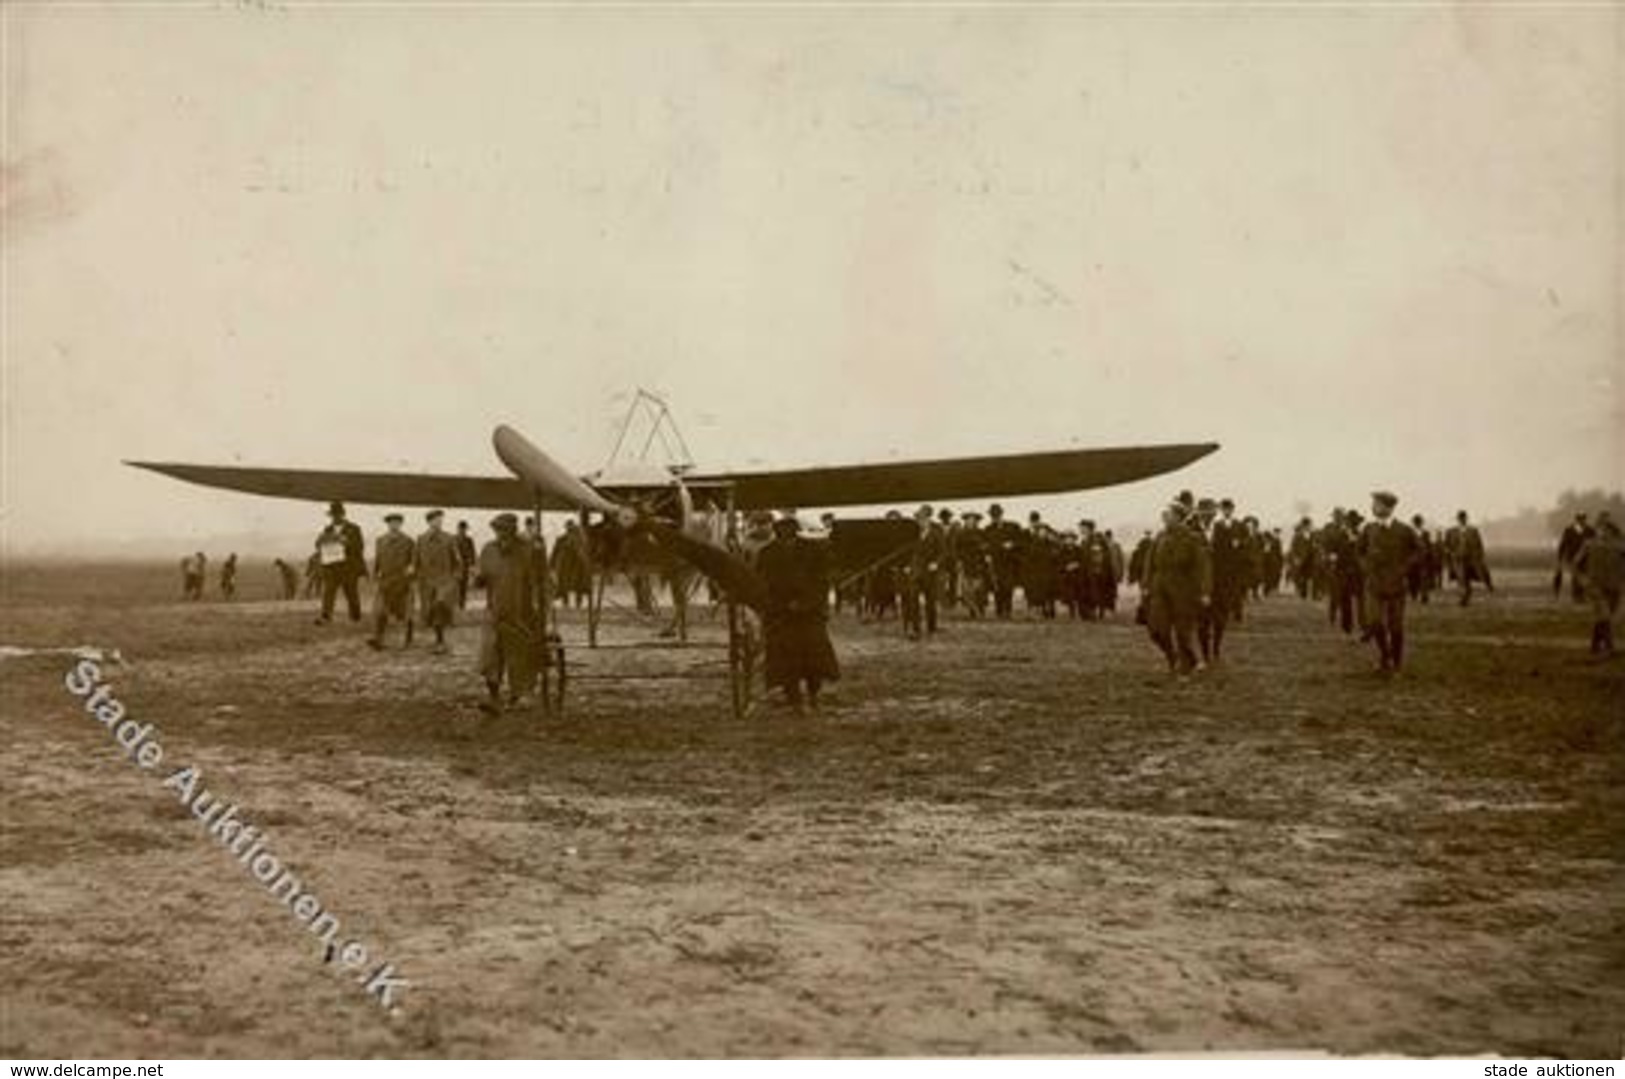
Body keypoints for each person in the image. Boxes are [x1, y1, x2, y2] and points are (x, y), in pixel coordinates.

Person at [757, 514, 839, 710]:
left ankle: (813, 694)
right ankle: (793, 697)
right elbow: (763, 583)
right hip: (781, 616)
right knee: (785, 661)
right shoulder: (767, 553)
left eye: (790, 536)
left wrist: (806, 603)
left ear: (796, 533)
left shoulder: (813, 550)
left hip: (809, 615)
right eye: (782, 536)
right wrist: (778, 606)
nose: (787, 540)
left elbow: (822, 581)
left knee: (814, 658)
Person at [476, 513, 540, 712]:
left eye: (505, 531)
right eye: (497, 530)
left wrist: (537, 608)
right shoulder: (488, 550)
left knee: (517, 655)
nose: (501, 535)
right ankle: (493, 697)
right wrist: (478, 579)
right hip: (494, 611)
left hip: (520, 613)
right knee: (490, 655)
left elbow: (539, 581)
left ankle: (519, 695)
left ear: (513, 532)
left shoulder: (527, 551)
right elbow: (482, 577)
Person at [1144, 502, 1210, 676]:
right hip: (1160, 588)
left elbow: (1201, 567)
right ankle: (1172, 657)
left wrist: (1204, 591)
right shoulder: (1159, 537)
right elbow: (1149, 564)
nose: (1164, 516)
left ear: (1179, 517)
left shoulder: (1191, 538)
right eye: (1164, 514)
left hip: (1183, 590)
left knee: (1183, 633)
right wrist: (1146, 585)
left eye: (1169, 514)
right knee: (1156, 630)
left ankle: (1185, 668)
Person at [1358, 491, 1419, 673]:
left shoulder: (1404, 530)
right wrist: (1365, 566)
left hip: (1396, 585)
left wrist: (1404, 568)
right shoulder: (1368, 529)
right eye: (1373, 504)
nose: (1373, 508)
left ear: (1389, 508)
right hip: (1374, 584)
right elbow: (1359, 551)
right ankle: (1385, 655)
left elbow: (1418, 551)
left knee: (1396, 626)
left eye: (1377, 504)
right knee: (1375, 621)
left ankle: (1397, 663)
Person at [1575, 512, 1623, 657]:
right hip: (1595, 587)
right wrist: (1581, 579)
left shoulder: (1620, 545)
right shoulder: (1589, 544)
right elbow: (1575, 563)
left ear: (1612, 529)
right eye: (1601, 527)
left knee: (1603, 617)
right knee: (1605, 615)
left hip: (1615, 587)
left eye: (1607, 527)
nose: (1604, 531)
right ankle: (1610, 648)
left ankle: (1594, 646)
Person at [415, 509, 461, 653]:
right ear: (429, 522)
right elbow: (416, 561)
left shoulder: (449, 538)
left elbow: (457, 560)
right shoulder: (421, 539)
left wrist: (455, 577)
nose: (439, 522)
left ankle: (440, 641)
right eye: (435, 520)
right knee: (430, 610)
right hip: (427, 582)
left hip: (444, 580)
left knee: (439, 605)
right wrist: (416, 575)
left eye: (440, 519)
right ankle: (438, 639)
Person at [368, 513, 416, 649]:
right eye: (391, 523)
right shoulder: (380, 540)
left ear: (401, 524)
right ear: (387, 524)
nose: (394, 525)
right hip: (385, 581)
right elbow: (378, 560)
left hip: (402, 581)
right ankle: (378, 639)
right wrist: (375, 574)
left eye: (397, 522)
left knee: (404, 612)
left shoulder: (408, 541)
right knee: (380, 611)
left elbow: (413, 561)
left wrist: (411, 570)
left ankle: (407, 639)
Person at [315, 502, 366, 624]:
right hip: (332, 567)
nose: (335, 518)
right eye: (332, 515)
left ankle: (355, 616)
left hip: (348, 567)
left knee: (351, 592)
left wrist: (347, 542)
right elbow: (319, 546)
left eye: (337, 515)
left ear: (343, 515)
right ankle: (326, 616)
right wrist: (320, 541)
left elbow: (360, 546)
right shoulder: (327, 529)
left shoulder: (354, 529)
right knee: (328, 592)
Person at [985, 503, 1023, 619]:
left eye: (997, 515)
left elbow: (1021, 541)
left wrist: (1012, 544)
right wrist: (987, 555)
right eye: (993, 516)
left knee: (1008, 587)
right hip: (996, 563)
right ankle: (999, 611)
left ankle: (1008, 610)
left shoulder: (1012, 527)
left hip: (1009, 562)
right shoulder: (988, 529)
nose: (995, 518)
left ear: (1002, 514)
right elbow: (986, 545)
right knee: (997, 587)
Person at [1452, 510, 1492, 606]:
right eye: (1460, 518)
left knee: (1470, 577)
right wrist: (1452, 553)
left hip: (1471, 559)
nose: (1462, 520)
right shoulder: (1453, 532)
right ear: (1458, 519)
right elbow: (1449, 545)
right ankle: (1464, 598)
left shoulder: (1473, 531)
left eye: (1463, 518)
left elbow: (1479, 544)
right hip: (1459, 559)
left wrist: (1480, 556)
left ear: (1466, 518)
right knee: (1462, 579)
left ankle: (1486, 585)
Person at [1554, 512, 1593, 603]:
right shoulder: (1569, 530)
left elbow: (1594, 542)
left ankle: (1582, 595)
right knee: (1575, 577)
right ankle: (1577, 596)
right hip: (1572, 557)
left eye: (1583, 519)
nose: (1582, 521)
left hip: (1586, 557)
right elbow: (1563, 544)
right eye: (1580, 519)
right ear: (1577, 520)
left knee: (1584, 576)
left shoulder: (1590, 530)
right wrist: (1560, 556)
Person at [454, 521, 478, 609]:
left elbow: (472, 553)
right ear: (458, 529)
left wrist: (472, 565)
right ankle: (456, 605)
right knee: (456, 587)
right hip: (456, 567)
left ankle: (462, 605)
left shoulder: (469, 540)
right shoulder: (454, 539)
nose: (463, 531)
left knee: (463, 587)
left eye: (464, 529)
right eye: (461, 529)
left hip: (465, 566)